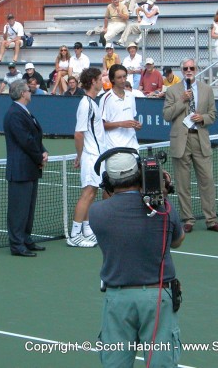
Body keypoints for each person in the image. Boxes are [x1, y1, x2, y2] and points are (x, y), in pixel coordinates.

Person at [90, 149, 184, 368]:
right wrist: (162, 196)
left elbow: (113, 205)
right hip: (158, 296)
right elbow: (177, 240)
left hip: (117, 299)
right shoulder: (164, 209)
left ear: (109, 182)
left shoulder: (97, 213)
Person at [163, 59, 218, 233]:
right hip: (180, 140)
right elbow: (167, 115)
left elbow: (213, 114)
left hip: (200, 138)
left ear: (196, 69)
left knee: (207, 180)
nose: (189, 71)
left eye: (192, 68)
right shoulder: (172, 91)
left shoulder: (207, 90)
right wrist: (182, 100)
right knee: (182, 183)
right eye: (185, 68)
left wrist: (203, 118)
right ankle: (188, 220)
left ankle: (211, 220)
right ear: (181, 70)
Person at [3, 80, 48, 257]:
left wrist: (42, 152)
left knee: (28, 208)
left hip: (30, 168)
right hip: (21, 169)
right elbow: (25, 141)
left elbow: (33, 137)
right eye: (28, 90)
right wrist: (39, 156)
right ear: (23, 93)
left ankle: (26, 239)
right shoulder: (15, 114)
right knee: (18, 210)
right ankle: (17, 244)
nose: (31, 92)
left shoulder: (24, 112)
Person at [68, 67, 104, 248]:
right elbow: (78, 134)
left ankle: (87, 229)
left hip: (96, 156)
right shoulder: (85, 104)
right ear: (93, 82)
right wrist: (80, 156)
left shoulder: (93, 103)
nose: (102, 81)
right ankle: (74, 234)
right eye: (99, 79)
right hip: (90, 156)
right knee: (87, 194)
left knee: (92, 193)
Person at [100, 64, 141, 150]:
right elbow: (100, 125)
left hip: (133, 148)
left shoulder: (131, 96)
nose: (123, 80)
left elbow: (131, 119)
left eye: (124, 77)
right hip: (114, 149)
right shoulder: (106, 98)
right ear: (112, 79)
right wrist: (121, 124)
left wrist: (136, 125)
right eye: (119, 77)